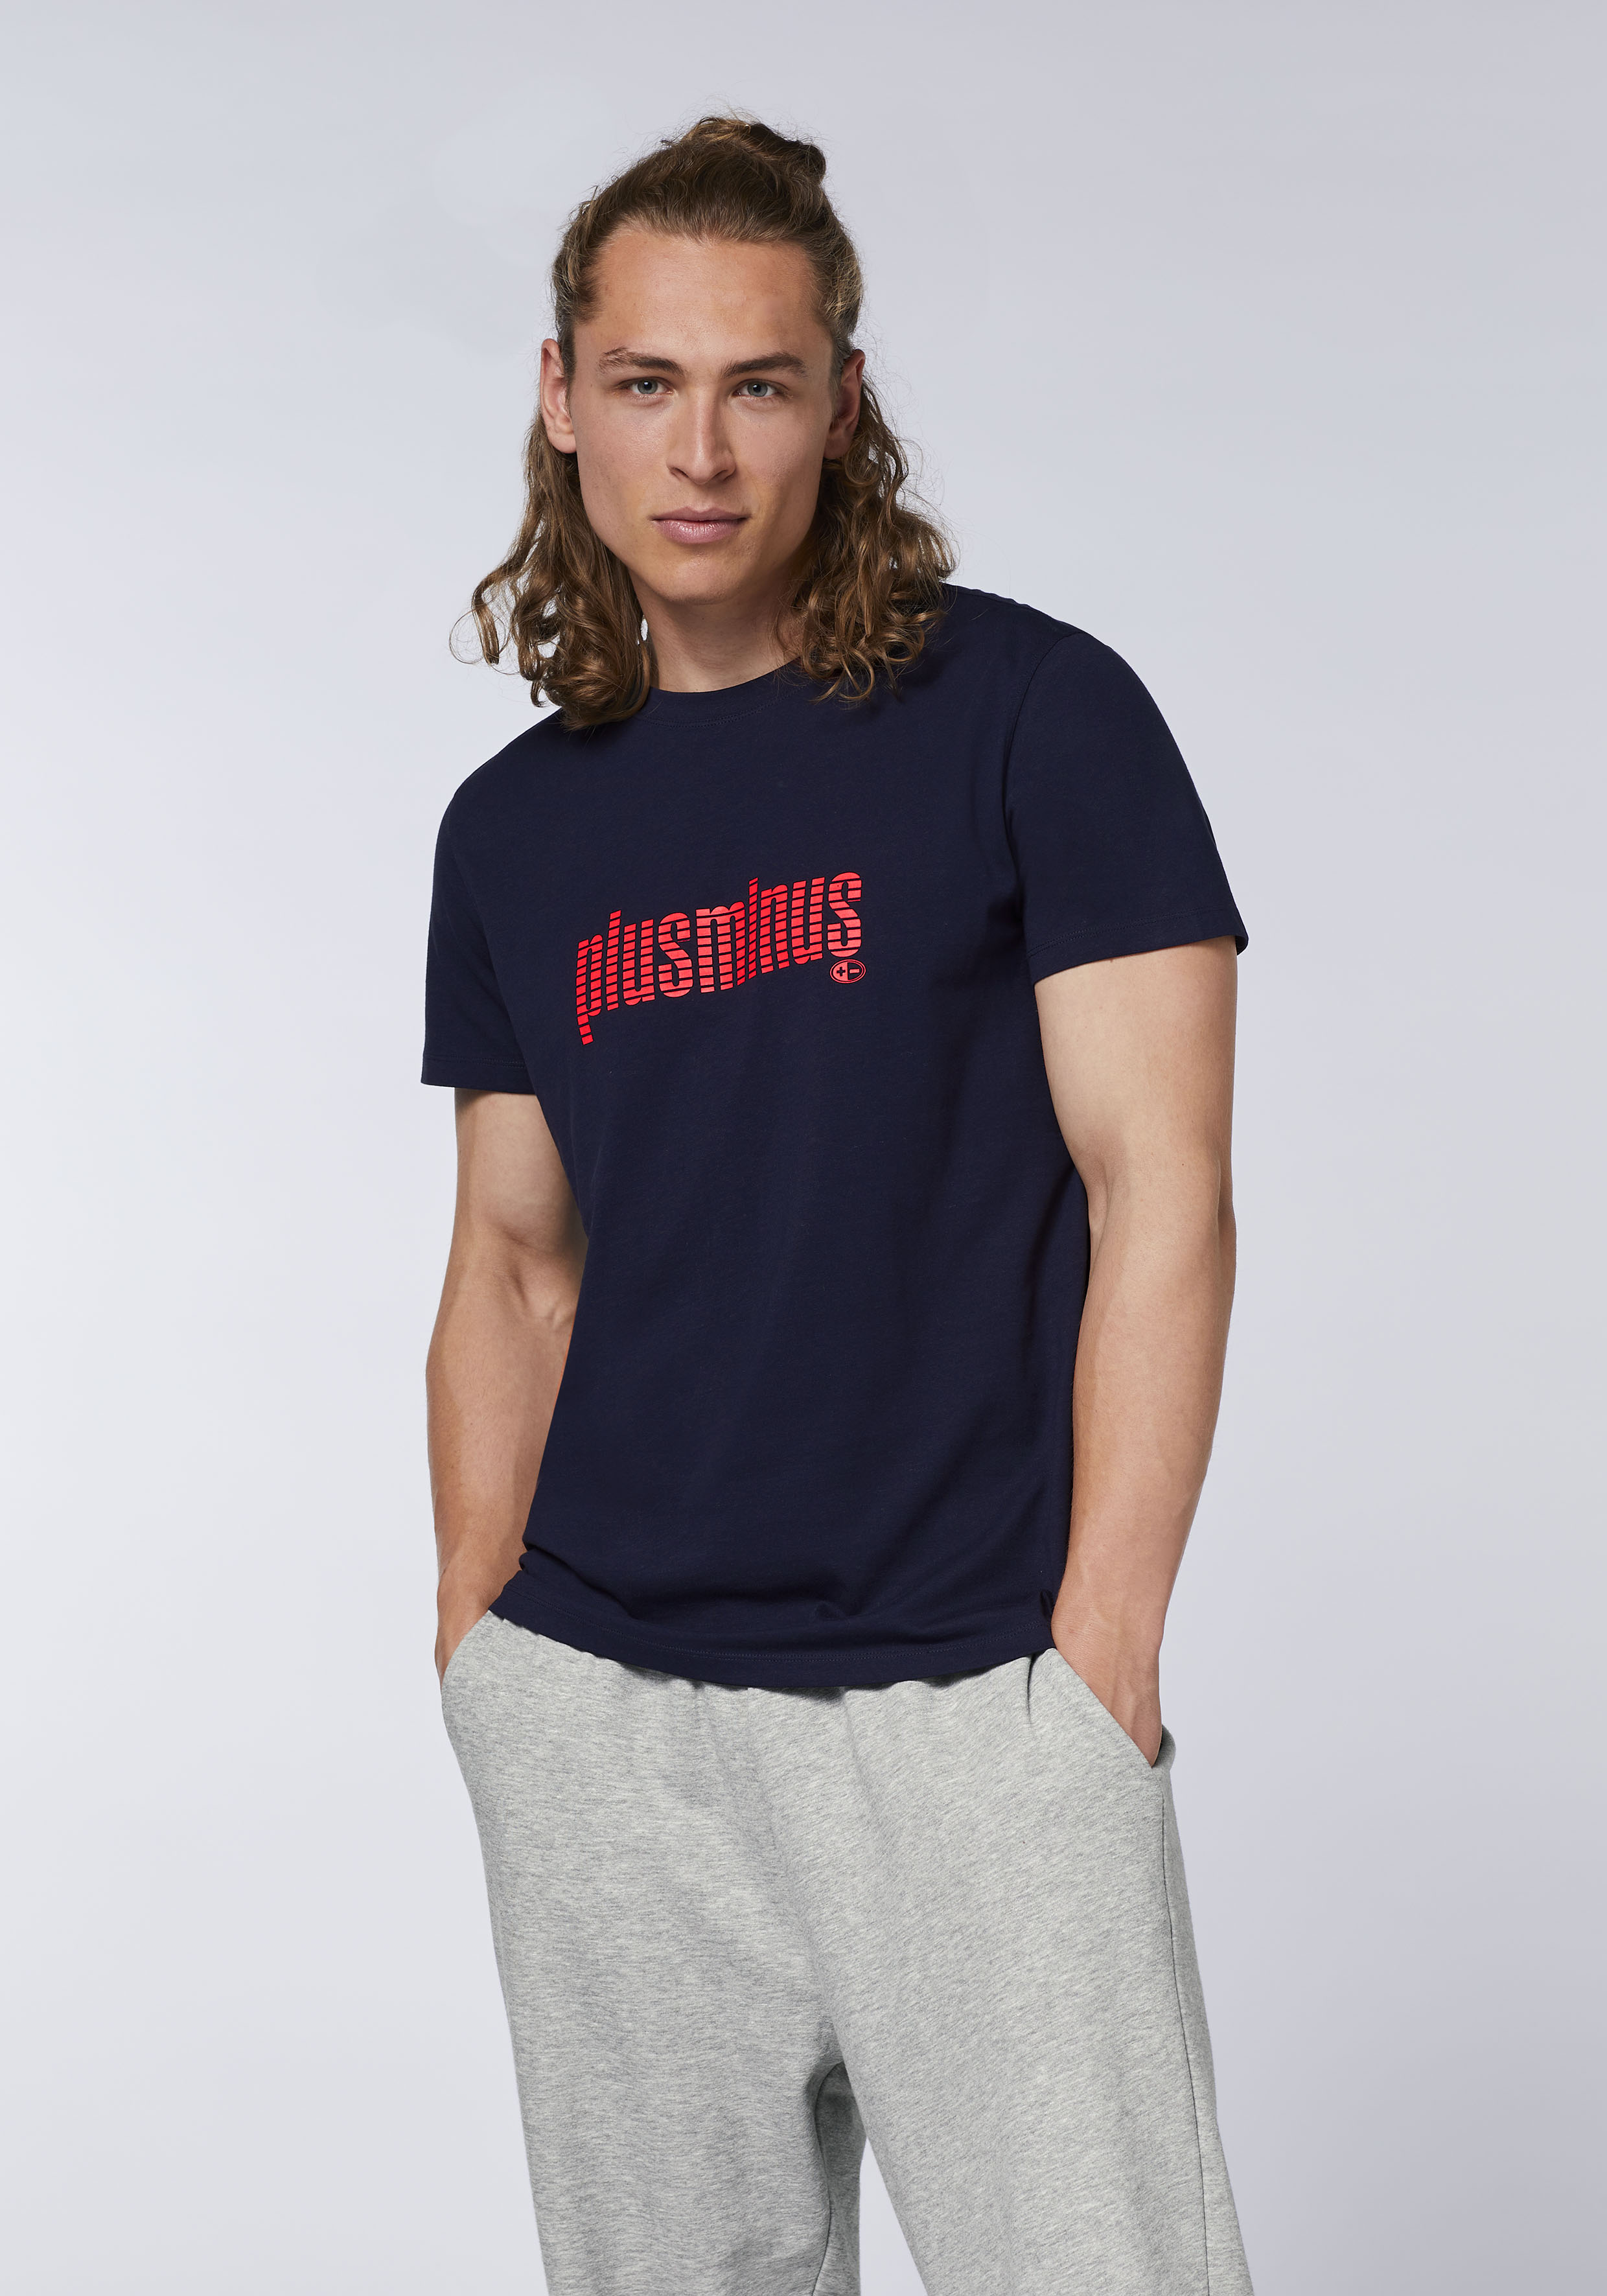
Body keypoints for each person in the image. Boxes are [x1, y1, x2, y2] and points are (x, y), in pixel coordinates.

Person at [423, 114, 1254, 2296]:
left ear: (842, 403)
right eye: (647, 382)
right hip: (610, 1716)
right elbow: (513, 1259)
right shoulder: (514, 832)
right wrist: (484, 1643)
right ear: (563, 396)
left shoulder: (1038, 717)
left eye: (758, 386)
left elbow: (1163, 1188)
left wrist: (1102, 1656)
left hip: (974, 1697)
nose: (700, 451)